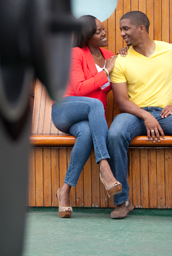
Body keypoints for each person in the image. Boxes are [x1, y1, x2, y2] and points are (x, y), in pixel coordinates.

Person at [106, 11, 172, 226]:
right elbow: (121, 101)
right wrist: (146, 116)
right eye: (121, 30)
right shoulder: (121, 60)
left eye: (125, 29)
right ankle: (123, 202)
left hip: (165, 113)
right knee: (115, 134)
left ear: (141, 28)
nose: (121, 33)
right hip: (133, 113)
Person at [52, 15, 125, 218]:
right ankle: (104, 166)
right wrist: (106, 72)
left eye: (103, 29)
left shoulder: (109, 55)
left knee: (86, 133)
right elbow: (79, 88)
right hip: (65, 109)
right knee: (94, 104)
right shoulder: (75, 53)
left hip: (89, 118)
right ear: (87, 36)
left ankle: (64, 191)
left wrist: (123, 56)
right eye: (98, 31)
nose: (104, 33)